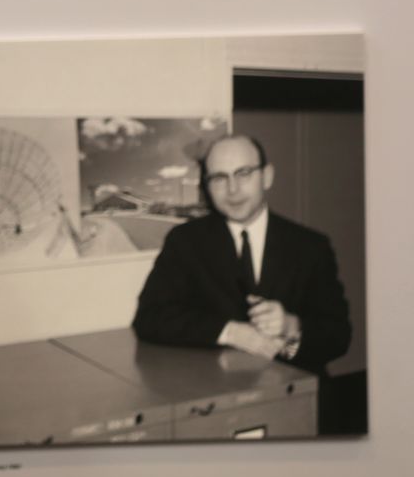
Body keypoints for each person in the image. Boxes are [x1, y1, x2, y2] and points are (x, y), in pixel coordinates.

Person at [132, 133, 351, 373]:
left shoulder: (311, 246)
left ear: (266, 177)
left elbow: (338, 336)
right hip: (215, 394)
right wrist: (230, 332)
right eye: (219, 178)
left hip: (296, 394)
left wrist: (291, 326)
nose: (232, 189)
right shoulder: (185, 241)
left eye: (243, 173)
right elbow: (150, 317)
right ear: (207, 185)